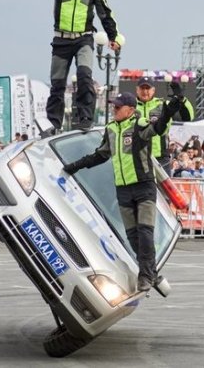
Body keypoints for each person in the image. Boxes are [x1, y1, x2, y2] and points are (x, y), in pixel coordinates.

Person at [62, 85, 184, 292]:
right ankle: (152, 273)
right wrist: (75, 166)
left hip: (144, 186)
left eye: (118, 108)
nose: (114, 110)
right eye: (114, 107)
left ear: (130, 109)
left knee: (145, 232)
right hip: (123, 190)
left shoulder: (140, 124)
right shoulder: (110, 128)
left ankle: (145, 276)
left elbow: (159, 127)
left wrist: (172, 108)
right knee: (133, 237)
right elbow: (101, 154)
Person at [17, 0, 123, 133]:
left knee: (84, 76)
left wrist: (112, 36)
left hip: (84, 39)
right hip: (61, 39)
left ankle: (85, 118)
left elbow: (105, 13)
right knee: (57, 84)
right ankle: (53, 124)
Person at [135, 79, 194, 171]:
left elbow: (188, 117)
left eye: (148, 88)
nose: (145, 91)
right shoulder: (130, 107)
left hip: (161, 159)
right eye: (142, 88)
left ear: (153, 90)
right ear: (137, 90)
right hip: (137, 157)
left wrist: (182, 99)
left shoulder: (163, 104)